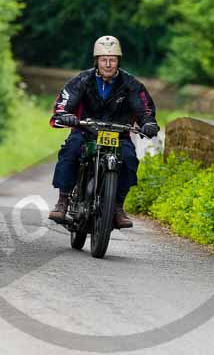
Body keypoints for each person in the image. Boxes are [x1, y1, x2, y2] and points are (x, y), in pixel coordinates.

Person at [48, 35, 159, 228]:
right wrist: (64, 114)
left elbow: (144, 108)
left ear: (118, 61)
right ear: (96, 61)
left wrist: (148, 123)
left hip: (118, 134)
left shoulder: (131, 84)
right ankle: (63, 200)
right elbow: (65, 102)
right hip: (85, 131)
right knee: (71, 150)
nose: (108, 64)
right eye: (104, 59)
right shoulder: (82, 79)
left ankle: (117, 207)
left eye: (113, 59)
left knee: (129, 158)